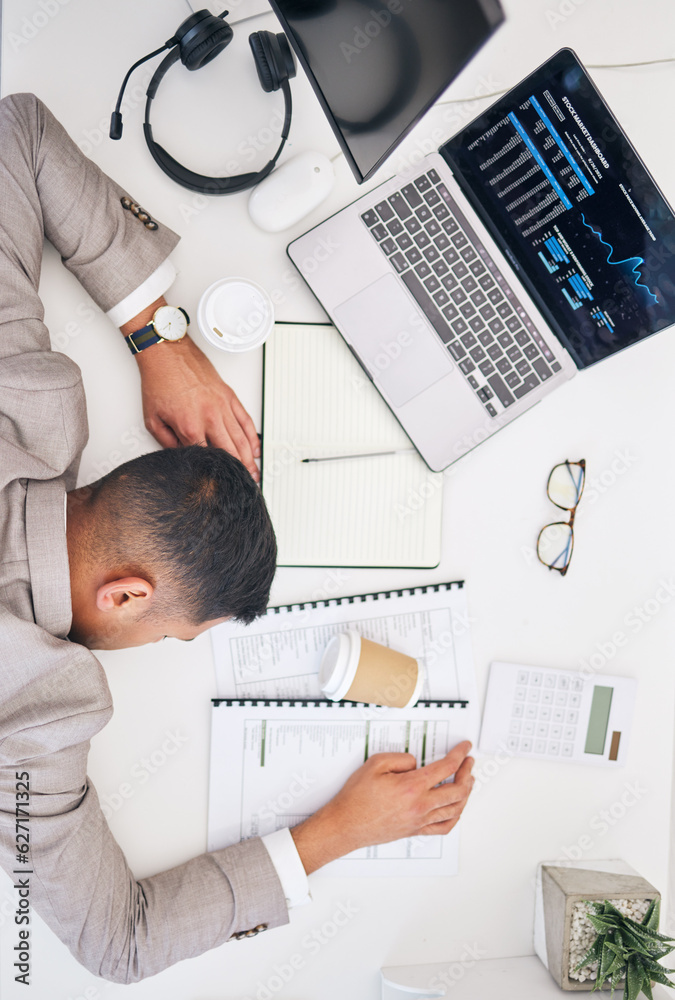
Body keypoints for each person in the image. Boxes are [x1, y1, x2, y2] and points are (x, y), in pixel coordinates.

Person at [0, 92, 475, 984]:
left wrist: (154, 335)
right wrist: (338, 833)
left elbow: (17, 132)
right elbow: (117, 945)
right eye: (183, 632)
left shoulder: (24, 398)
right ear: (128, 594)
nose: (175, 644)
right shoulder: (36, 721)